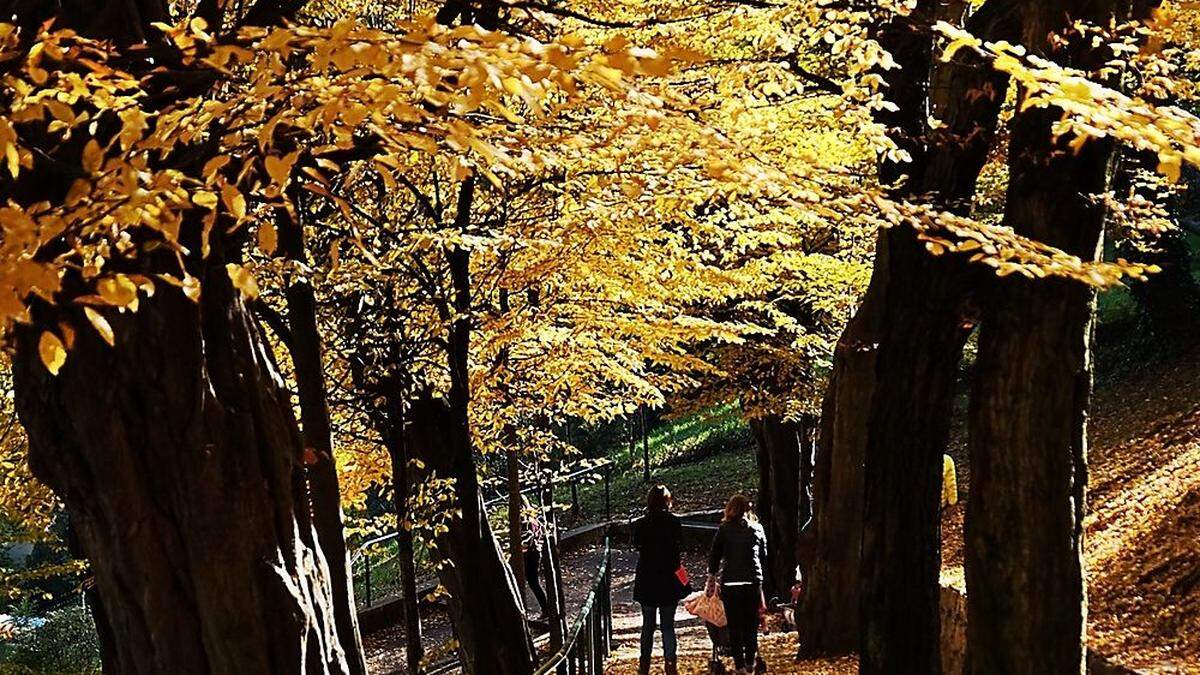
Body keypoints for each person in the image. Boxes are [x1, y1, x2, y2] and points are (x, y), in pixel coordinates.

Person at [707, 493, 768, 675]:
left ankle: (739, 665)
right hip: (752, 581)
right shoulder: (757, 529)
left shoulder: (724, 529)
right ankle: (750, 661)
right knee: (751, 624)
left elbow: (715, 554)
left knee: (734, 626)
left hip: (731, 582)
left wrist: (712, 576)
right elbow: (763, 556)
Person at [633, 485, 688, 675]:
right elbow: (676, 559)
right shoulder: (673, 523)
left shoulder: (641, 524)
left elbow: (638, 546)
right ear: (667, 501)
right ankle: (670, 664)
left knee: (647, 625)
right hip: (668, 582)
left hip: (647, 580)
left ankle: (644, 665)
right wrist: (685, 582)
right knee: (667, 626)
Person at [521, 496, 550, 620]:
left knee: (533, 582)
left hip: (529, 555)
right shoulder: (534, 519)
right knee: (534, 582)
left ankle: (546, 609)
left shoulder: (525, 521)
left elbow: (526, 540)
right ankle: (546, 609)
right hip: (535, 553)